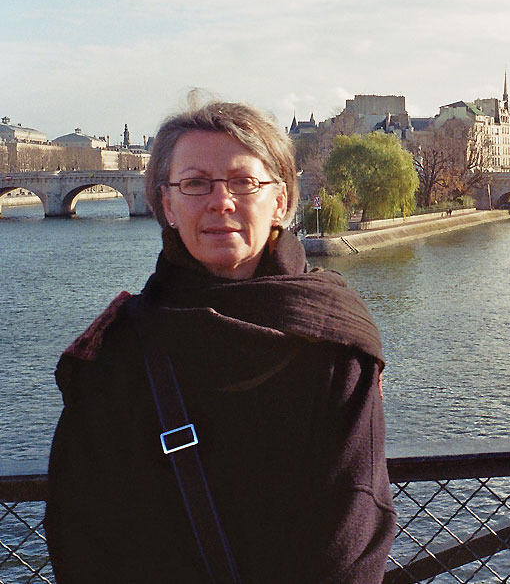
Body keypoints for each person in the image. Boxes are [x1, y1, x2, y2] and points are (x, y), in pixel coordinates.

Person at [45, 100, 395, 582]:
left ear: (282, 201)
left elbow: (351, 539)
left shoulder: (337, 344)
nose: (220, 201)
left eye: (243, 182)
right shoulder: (113, 352)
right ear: (165, 204)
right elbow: (82, 531)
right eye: (195, 183)